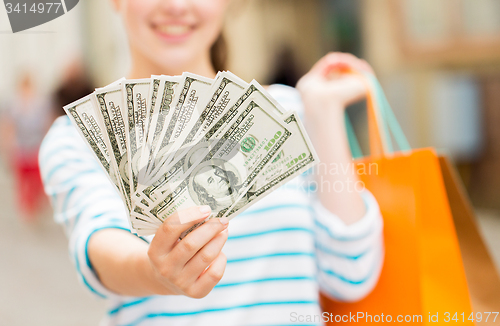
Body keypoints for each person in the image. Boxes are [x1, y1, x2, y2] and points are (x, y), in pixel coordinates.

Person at [39, 0, 384, 325]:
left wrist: (322, 112)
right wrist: (153, 271)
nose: (176, 7)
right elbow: (99, 244)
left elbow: (351, 274)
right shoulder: (80, 137)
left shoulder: (286, 113)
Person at [0, 73, 53, 220]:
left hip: (36, 147)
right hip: (21, 148)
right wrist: (7, 146)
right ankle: (27, 208)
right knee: (23, 182)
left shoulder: (40, 104)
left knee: (37, 179)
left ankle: (36, 205)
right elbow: (8, 126)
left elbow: (46, 124)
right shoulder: (14, 105)